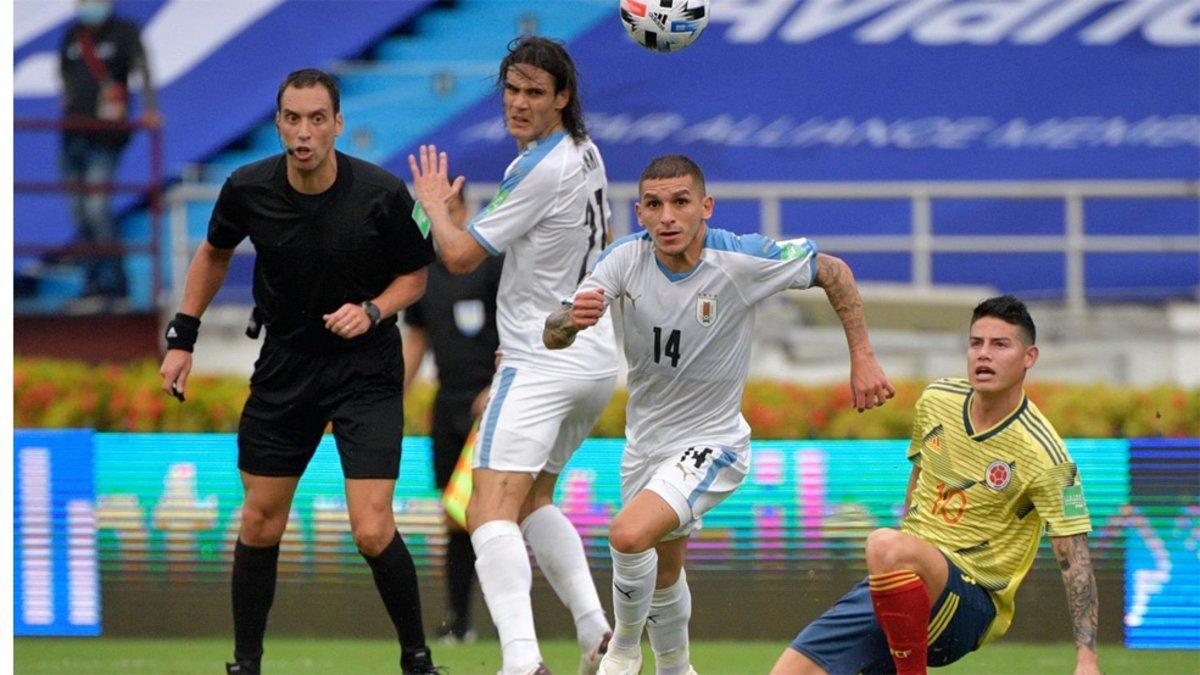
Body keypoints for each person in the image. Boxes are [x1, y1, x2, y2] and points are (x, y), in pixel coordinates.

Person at [544, 154, 896, 675]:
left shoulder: (740, 258)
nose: (668, 216)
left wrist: (863, 356)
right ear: (639, 212)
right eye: (655, 204)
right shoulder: (622, 260)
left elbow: (834, 272)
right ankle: (676, 668)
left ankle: (620, 654)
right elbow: (552, 333)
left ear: (705, 207)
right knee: (664, 568)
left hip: (715, 443)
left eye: (681, 202)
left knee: (627, 534)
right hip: (645, 443)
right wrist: (569, 323)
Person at [158, 68, 440, 675]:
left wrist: (373, 311)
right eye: (293, 118)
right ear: (279, 123)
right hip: (286, 364)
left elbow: (416, 275)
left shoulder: (383, 194)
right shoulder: (247, 187)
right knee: (259, 520)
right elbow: (213, 252)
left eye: (317, 119)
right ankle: (246, 664)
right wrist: (183, 337)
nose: (304, 131)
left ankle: (417, 659)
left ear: (338, 124)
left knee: (370, 529)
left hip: (366, 369)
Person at [409, 36, 617, 675]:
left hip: (543, 358)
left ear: (562, 98)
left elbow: (460, 256)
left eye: (535, 92)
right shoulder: (587, 153)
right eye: (513, 89)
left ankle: (522, 663)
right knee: (531, 502)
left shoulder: (539, 167)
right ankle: (597, 635)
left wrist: (435, 210)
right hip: (594, 360)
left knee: (484, 510)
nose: (520, 103)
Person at [772, 295, 1100, 675]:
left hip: (972, 602)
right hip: (906, 579)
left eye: (1000, 345)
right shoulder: (937, 400)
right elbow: (919, 479)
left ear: (1029, 357)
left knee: (883, 544)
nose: (984, 355)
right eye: (976, 343)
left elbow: (1073, 557)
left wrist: (1087, 660)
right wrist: (899, 569)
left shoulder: (1045, 453)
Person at [402, 240, 504, 643]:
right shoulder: (422, 275)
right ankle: (459, 621)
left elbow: (522, 326)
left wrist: (498, 387)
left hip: (494, 405)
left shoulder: (495, 267)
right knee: (455, 518)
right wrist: (392, 399)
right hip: (448, 407)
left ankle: (511, 623)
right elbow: (416, 337)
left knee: (501, 513)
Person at [58, 0, 160, 311]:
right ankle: (92, 287)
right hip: (72, 134)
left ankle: (117, 288)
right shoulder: (73, 33)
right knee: (79, 212)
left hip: (105, 137)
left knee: (97, 206)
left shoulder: (124, 32)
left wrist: (149, 108)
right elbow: (64, 74)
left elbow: (143, 69)